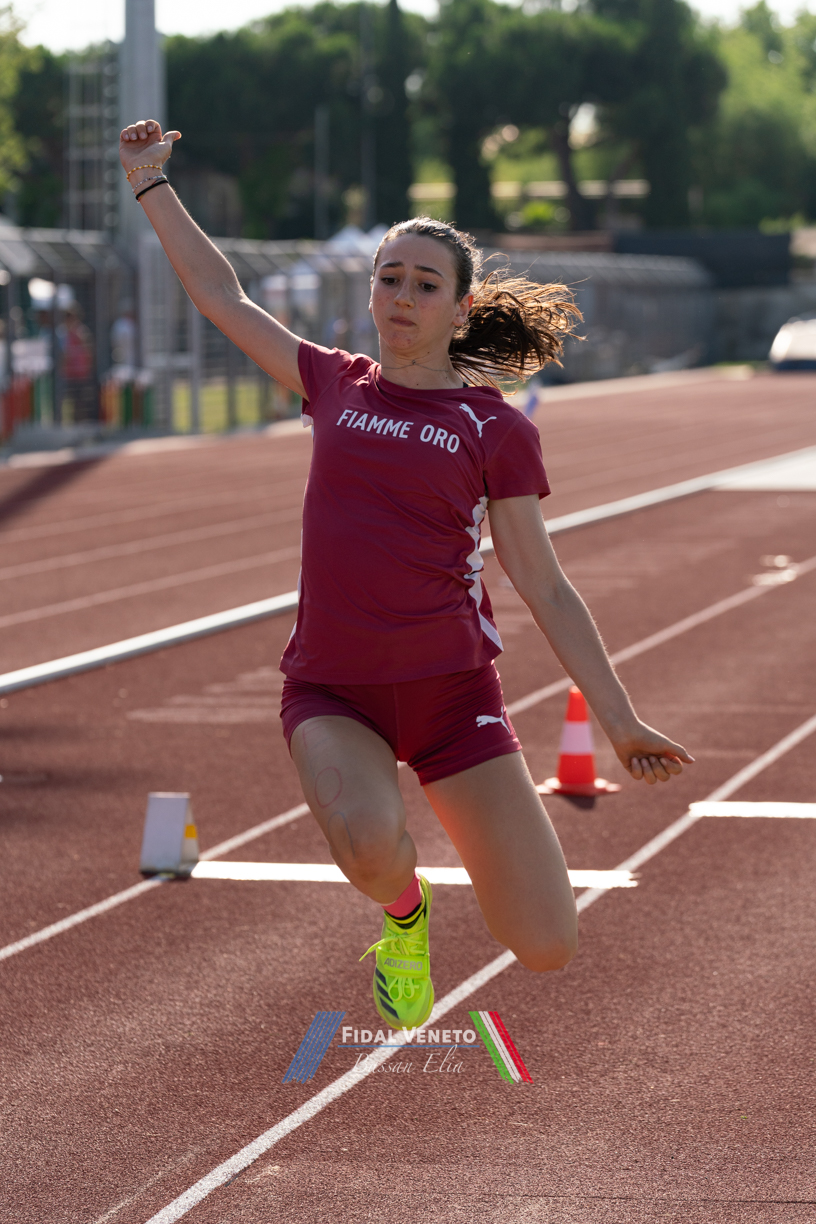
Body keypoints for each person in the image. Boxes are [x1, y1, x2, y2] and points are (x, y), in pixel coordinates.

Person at [120, 121, 694, 1029]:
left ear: (460, 310)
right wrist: (151, 183)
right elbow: (222, 295)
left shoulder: (495, 430)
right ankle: (403, 911)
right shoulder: (333, 384)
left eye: (426, 284)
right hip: (332, 689)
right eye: (389, 278)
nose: (402, 296)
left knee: (547, 944)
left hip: (451, 698)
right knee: (367, 842)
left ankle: (441, 880)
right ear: (371, 291)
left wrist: (618, 721)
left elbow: (545, 584)